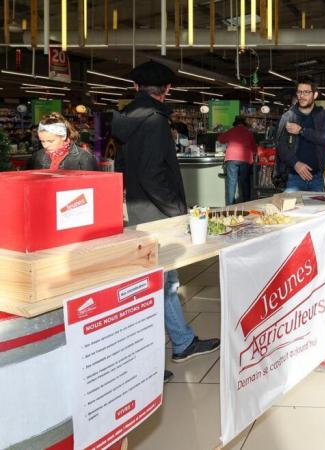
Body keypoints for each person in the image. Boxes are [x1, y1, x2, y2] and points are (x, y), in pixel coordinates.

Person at [111, 61, 220, 375]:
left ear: (135, 88)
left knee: (163, 282)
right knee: (157, 284)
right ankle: (141, 365)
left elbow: (128, 170)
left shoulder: (127, 120)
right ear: (167, 89)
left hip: (137, 212)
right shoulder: (155, 122)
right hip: (159, 216)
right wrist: (177, 213)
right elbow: (153, 175)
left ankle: (182, 342)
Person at [275, 77, 325, 192]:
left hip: (317, 178)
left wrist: (302, 131)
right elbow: (281, 146)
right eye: (299, 92)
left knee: (319, 209)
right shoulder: (288, 116)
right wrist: (295, 163)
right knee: (289, 209)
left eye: (306, 92)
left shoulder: (323, 115)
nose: (302, 95)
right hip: (294, 178)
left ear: (315, 95)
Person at [30, 113, 97, 170]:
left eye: (50, 141)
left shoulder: (84, 157)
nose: (45, 145)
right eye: (42, 141)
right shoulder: (37, 157)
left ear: (63, 136)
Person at [217, 116, 256, 204]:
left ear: (235, 123)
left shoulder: (231, 130)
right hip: (245, 159)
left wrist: (220, 131)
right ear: (244, 123)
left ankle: (230, 206)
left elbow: (221, 139)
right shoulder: (249, 132)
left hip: (232, 159)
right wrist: (254, 153)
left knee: (231, 183)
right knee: (245, 183)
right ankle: (247, 204)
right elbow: (254, 148)